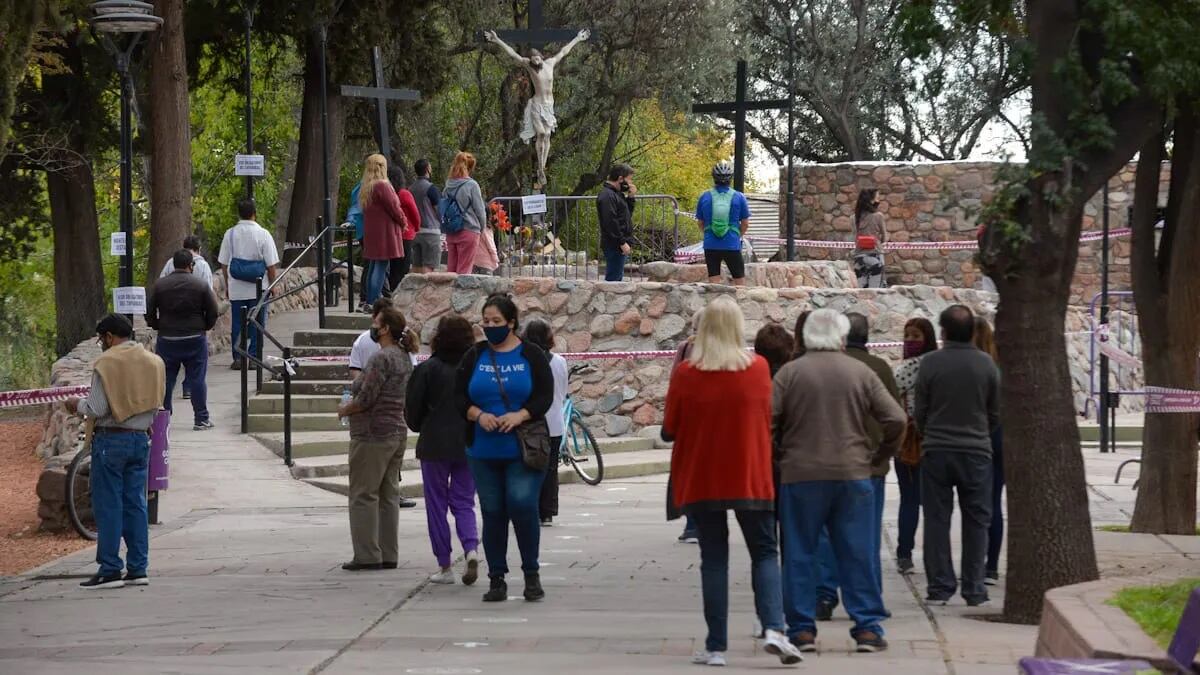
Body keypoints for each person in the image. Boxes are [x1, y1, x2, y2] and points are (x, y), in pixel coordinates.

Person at [663, 296, 804, 667]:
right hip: (749, 474)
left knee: (713, 558)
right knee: (764, 551)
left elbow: (669, 428)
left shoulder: (686, 374)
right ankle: (774, 627)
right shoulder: (758, 368)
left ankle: (716, 646)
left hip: (703, 477)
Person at [773, 309, 905, 653]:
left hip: (801, 474)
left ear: (805, 337)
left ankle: (801, 629)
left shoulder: (790, 373)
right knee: (857, 549)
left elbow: (764, 422)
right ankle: (867, 628)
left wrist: (779, 454)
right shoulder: (860, 372)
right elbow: (895, 419)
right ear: (841, 337)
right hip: (853, 472)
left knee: (800, 551)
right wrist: (879, 455)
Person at [455, 294, 555, 602]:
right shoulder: (474, 355)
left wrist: (520, 415)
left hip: (522, 447)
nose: (490, 327)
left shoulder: (532, 355)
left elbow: (544, 396)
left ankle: (531, 573)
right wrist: (479, 415)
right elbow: (459, 398)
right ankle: (496, 577)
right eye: (486, 321)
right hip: (483, 450)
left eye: (496, 321)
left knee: (522, 505)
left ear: (511, 323)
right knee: (493, 511)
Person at [64, 314, 165, 589]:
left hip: (111, 440)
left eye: (101, 339)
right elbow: (156, 402)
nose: (101, 345)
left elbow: (96, 408)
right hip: (141, 438)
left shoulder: (106, 364)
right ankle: (138, 568)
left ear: (109, 336)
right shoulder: (154, 362)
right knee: (136, 504)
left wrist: (75, 404)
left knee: (109, 505)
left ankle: (110, 568)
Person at [812, 313, 902, 621]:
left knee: (825, 534)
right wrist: (884, 455)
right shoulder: (879, 368)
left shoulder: (822, 368)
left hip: (824, 463)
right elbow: (896, 417)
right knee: (866, 536)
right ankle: (868, 597)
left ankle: (823, 595)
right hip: (868, 465)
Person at [915, 305, 1000, 606]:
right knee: (977, 520)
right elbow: (994, 412)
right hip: (976, 450)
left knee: (937, 519)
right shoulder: (987, 365)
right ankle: (974, 586)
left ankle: (940, 584)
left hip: (937, 449)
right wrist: (980, 433)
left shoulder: (930, 364)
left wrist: (930, 432)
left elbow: (920, 411)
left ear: (944, 331)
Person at [336, 305, 417, 571]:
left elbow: (367, 397)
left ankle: (367, 554)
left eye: (377, 322)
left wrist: (346, 409)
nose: (373, 325)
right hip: (396, 430)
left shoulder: (382, 359)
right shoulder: (405, 357)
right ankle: (388, 552)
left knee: (363, 494)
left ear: (384, 329)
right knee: (388, 494)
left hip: (372, 434)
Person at [407, 315, 480, 585]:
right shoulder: (475, 368)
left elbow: (413, 412)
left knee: (436, 504)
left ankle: (445, 565)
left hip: (434, 444)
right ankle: (471, 548)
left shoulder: (428, 369)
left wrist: (420, 423)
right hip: (469, 442)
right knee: (464, 501)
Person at [484, 28, 591, 187]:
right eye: (532, 59)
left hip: (549, 106)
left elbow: (563, 52)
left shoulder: (550, 63)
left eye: (536, 58)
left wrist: (578, 38)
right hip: (537, 104)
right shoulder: (529, 67)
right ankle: (540, 167)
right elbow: (514, 55)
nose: (535, 61)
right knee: (541, 133)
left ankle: (541, 167)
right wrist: (497, 40)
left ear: (541, 57)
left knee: (547, 135)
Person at [146, 249, 219, 431]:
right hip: (194, 337)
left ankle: (163, 420)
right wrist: (205, 326)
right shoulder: (200, 285)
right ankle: (201, 419)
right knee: (197, 379)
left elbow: (149, 311)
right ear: (190, 265)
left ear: (173, 265)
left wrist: (157, 325)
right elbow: (213, 311)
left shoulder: (160, 285)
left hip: (168, 338)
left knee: (166, 380)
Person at [892, 317, 938, 575]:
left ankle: (904, 553)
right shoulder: (940, 367)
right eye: (907, 335)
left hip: (909, 442)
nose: (910, 341)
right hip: (933, 442)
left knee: (908, 499)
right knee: (931, 503)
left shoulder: (904, 370)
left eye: (916, 336)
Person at [218, 199, 279, 370]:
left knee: (238, 324)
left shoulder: (230, 234)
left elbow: (223, 263)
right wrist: (273, 284)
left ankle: (238, 357)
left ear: (239, 213)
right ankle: (254, 357)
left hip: (237, 288)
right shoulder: (263, 234)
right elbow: (271, 264)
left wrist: (228, 285)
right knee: (257, 323)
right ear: (254, 213)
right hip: (259, 287)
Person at [523, 320, 568, 527]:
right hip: (555, 422)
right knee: (550, 468)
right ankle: (547, 511)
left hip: (531, 423)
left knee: (528, 467)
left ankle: (529, 506)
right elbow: (564, 390)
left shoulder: (524, 360)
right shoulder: (559, 361)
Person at [158, 235, 214, 400]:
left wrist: (157, 324)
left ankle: (164, 414)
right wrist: (206, 324)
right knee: (196, 370)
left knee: (167, 376)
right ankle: (199, 414)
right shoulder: (203, 266)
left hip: (168, 328)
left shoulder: (170, 264)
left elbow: (159, 289)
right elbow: (210, 298)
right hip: (195, 327)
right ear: (198, 249)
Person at [972, 316, 1004, 585]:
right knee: (994, 502)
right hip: (1001, 436)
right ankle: (991, 565)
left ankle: (976, 562)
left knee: (976, 505)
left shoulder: (974, 368)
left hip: (979, 438)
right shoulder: (998, 366)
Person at [670, 310, 705, 544]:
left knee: (692, 473)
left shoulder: (685, 349)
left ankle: (693, 524)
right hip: (714, 425)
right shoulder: (728, 352)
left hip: (690, 423)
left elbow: (675, 382)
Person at [361, 154, 409, 304]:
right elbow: (394, 207)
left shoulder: (367, 187)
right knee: (380, 267)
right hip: (384, 233)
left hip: (373, 233)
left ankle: (369, 299)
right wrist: (403, 221)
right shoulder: (382, 185)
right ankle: (373, 300)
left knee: (373, 266)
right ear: (382, 167)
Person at [696, 161, 751, 286]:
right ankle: (739, 303)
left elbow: (700, 223)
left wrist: (708, 233)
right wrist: (737, 235)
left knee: (713, 282)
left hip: (711, 244)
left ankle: (714, 303)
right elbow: (745, 223)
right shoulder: (739, 197)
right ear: (730, 178)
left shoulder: (704, 197)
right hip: (731, 243)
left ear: (714, 178)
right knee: (739, 280)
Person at [443, 152, 488, 275]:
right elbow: (480, 210)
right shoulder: (472, 185)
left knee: (451, 270)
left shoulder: (448, 185)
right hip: (469, 230)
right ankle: (460, 294)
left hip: (451, 231)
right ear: (469, 167)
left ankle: (449, 293)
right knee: (464, 271)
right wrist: (482, 227)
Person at [382, 165, 421, 295]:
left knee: (393, 267)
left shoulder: (385, 194)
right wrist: (416, 227)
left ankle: (392, 291)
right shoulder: (404, 194)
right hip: (406, 234)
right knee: (403, 267)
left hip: (390, 235)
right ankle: (399, 293)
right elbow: (415, 213)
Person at [596, 163, 637, 281]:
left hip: (619, 243)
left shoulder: (616, 194)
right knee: (614, 280)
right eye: (629, 180)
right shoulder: (607, 195)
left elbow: (625, 215)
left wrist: (631, 197)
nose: (630, 184)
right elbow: (610, 222)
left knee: (617, 277)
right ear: (620, 178)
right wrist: (622, 242)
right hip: (614, 244)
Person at [409, 159, 442, 273]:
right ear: (428, 169)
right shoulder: (431, 188)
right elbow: (439, 210)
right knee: (429, 267)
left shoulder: (411, 188)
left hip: (416, 232)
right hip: (431, 232)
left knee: (416, 267)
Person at [853, 189, 887, 288]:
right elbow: (884, 237)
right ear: (872, 200)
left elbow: (855, 236)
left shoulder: (854, 218)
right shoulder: (878, 216)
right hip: (875, 255)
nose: (879, 199)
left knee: (862, 290)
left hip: (859, 257)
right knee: (877, 290)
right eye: (877, 197)